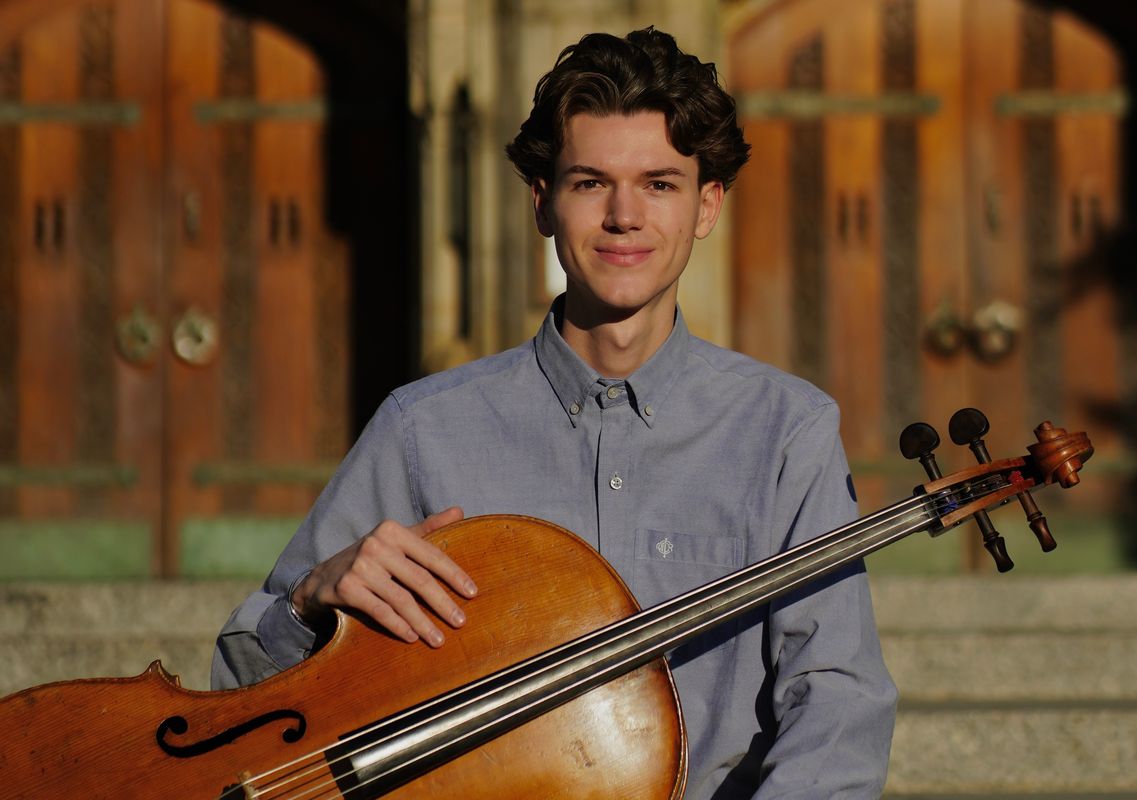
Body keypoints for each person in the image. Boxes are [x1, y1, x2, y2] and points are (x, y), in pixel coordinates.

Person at [212, 27, 896, 798]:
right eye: (591, 183)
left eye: (660, 184)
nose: (624, 216)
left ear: (707, 205)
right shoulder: (421, 429)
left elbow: (836, 701)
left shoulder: (787, 432)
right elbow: (242, 685)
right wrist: (309, 600)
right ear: (543, 202)